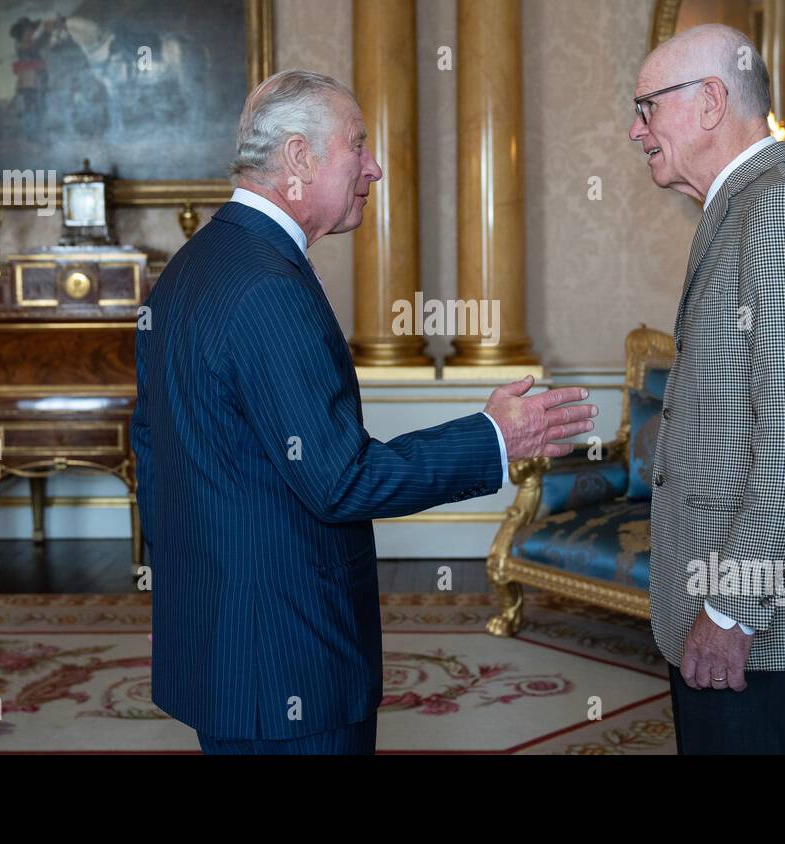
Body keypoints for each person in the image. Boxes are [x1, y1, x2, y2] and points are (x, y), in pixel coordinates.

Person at [132, 69, 596, 755]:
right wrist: (494, 437)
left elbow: (151, 445)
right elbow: (339, 480)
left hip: (222, 641)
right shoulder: (267, 288)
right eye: (358, 145)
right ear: (298, 157)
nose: (373, 168)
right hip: (285, 652)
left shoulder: (194, 263)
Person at [628, 24, 785, 754]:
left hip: (759, 619)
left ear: (709, 101)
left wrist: (730, 612)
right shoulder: (745, 206)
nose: (636, 131)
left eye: (646, 109)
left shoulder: (783, 213)